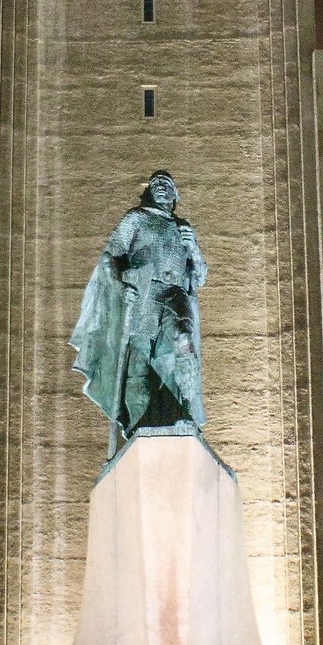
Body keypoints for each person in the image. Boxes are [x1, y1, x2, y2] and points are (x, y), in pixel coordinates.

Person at [70, 171, 208, 458]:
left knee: (183, 341)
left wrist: (193, 246)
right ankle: (140, 423)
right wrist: (120, 285)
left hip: (174, 294)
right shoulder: (136, 218)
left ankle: (186, 414)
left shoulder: (182, 227)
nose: (160, 186)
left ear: (175, 196)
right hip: (144, 291)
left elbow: (200, 275)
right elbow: (109, 256)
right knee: (139, 362)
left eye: (166, 184)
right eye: (156, 184)